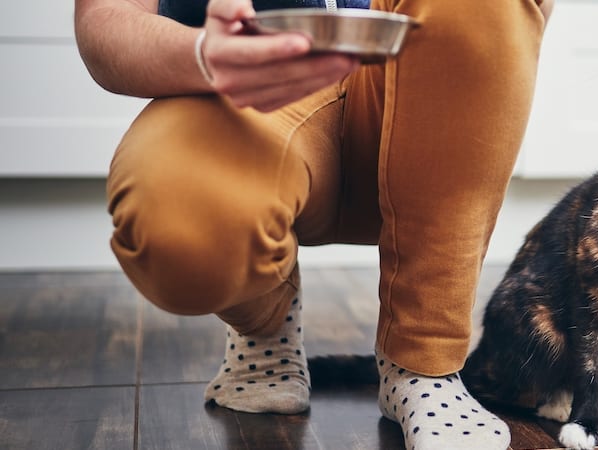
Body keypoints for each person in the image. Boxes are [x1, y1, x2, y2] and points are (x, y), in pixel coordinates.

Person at [73, 0, 552, 448]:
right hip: (245, 82)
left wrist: (489, 34)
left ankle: (423, 363)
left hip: (412, 62)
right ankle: (263, 327)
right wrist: (205, 54)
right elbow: (105, 17)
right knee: (175, 224)